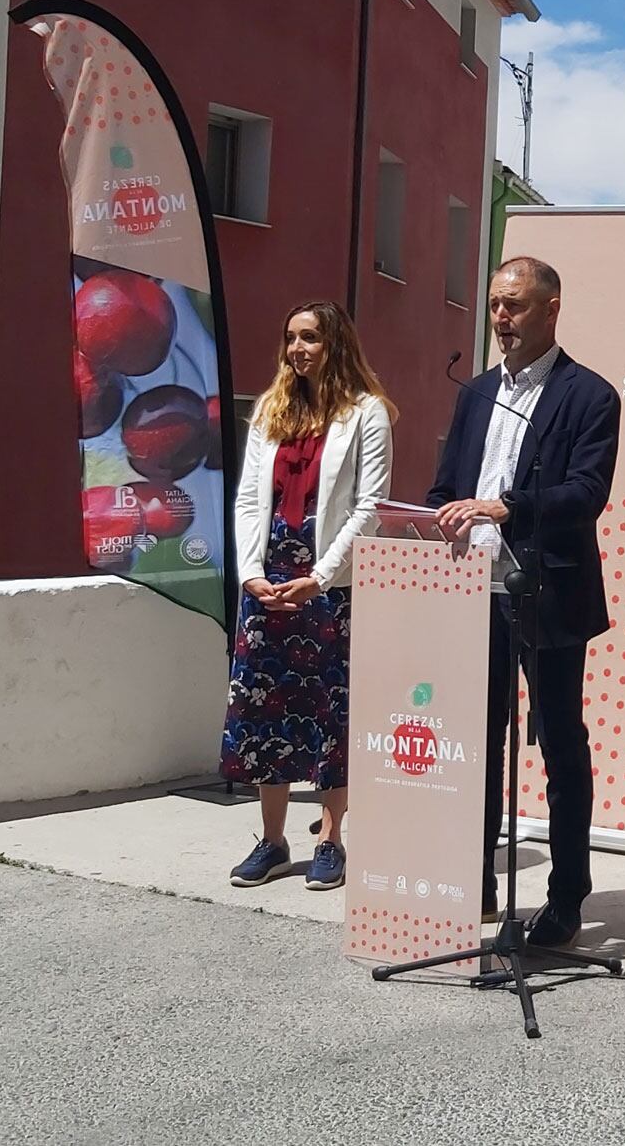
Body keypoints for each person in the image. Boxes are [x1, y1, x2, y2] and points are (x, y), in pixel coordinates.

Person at [427, 256, 621, 947]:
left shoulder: (590, 396)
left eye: (514, 306)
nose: (501, 319)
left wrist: (507, 507)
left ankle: (566, 898)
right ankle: (471, 883)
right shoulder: (474, 391)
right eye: (495, 306)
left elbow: (585, 494)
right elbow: (446, 484)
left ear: (551, 308)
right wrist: (436, 515)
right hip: (469, 591)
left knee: (560, 745)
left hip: (550, 591)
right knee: (475, 740)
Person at [222, 300, 395, 891]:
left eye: (311, 339)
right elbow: (249, 500)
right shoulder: (271, 410)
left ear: (336, 344)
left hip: (330, 587)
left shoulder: (366, 413)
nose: (298, 349)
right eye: (291, 337)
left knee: (330, 711)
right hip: (267, 582)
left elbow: (370, 508)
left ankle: (330, 838)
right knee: (262, 708)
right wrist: (249, 572)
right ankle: (272, 841)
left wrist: (320, 576)